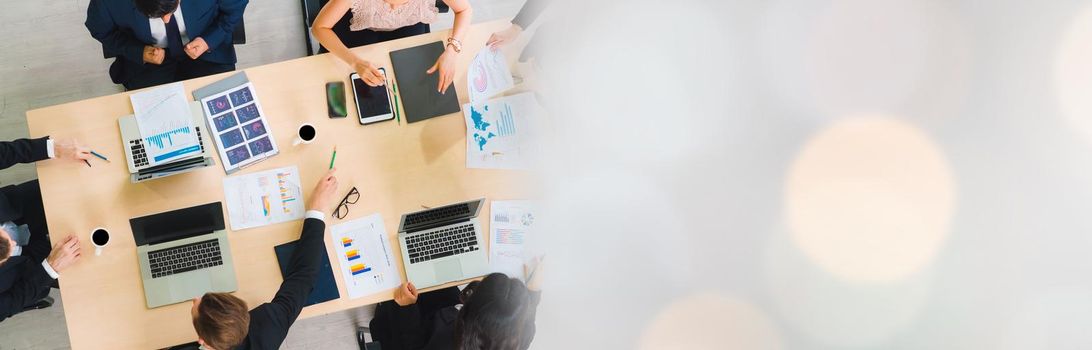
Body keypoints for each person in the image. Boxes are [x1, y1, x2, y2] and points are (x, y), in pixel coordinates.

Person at [188, 169, 339, 350]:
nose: (195, 298)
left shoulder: (269, 330)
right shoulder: (269, 327)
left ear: (202, 342)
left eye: (195, 307)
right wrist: (317, 207)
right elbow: (303, 277)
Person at [0, 137, 90, 321]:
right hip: (32, 270)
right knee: (94, 264)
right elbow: (12, 302)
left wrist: (51, 149)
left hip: (19, 208)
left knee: (83, 185)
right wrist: (51, 268)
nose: (13, 240)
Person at [312, 0, 473, 94]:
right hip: (361, 23)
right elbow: (319, 28)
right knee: (351, 80)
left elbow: (464, 10)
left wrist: (452, 50)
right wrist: (354, 62)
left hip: (407, 23)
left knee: (413, 82)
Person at [85, 0, 249, 90]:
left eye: (171, 10)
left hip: (207, 52)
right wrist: (138, 51)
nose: (166, 20)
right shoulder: (106, 3)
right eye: (156, 15)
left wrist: (209, 40)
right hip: (147, 62)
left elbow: (235, 8)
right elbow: (101, 31)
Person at [368, 270, 542, 350]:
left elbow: (410, 344)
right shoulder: (520, 334)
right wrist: (533, 291)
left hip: (411, 335)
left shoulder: (445, 341)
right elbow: (526, 320)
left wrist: (405, 308)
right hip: (445, 313)